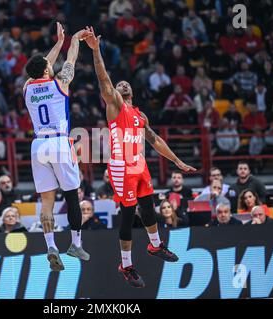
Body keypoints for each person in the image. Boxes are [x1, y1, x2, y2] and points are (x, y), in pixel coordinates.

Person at [85, 26, 196, 288]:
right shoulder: (115, 105)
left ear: (132, 90)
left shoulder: (140, 115)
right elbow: (103, 79)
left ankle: (156, 246)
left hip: (140, 165)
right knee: (127, 214)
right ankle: (126, 264)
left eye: (125, 83)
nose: (121, 84)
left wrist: (177, 161)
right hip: (122, 167)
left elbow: (155, 140)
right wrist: (96, 50)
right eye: (118, 83)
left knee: (148, 207)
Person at [23, 23, 93, 271]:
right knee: (73, 194)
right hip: (59, 141)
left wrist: (57, 43)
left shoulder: (27, 88)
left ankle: (50, 246)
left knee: (46, 202)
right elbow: (70, 60)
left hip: (37, 145)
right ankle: (75, 244)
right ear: (46, 69)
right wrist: (73, 41)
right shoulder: (60, 83)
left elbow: (41, 66)